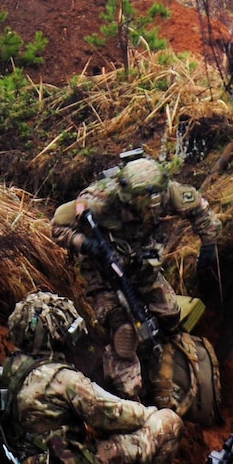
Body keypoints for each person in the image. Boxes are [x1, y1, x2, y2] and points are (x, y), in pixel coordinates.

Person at [50, 152, 221, 413]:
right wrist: (87, 245)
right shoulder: (98, 201)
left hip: (142, 264)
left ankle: (163, 366)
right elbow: (57, 227)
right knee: (123, 332)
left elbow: (200, 209)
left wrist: (209, 246)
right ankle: (128, 397)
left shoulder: (164, 194)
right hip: (103, 271)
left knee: (170, 316)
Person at [0, 291, 183, 464]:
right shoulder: (64, 379)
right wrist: (148, 412)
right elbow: (118, 415)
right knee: (168, 422)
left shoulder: (7, 372)